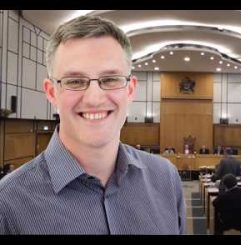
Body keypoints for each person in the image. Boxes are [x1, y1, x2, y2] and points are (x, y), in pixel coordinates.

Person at [0, 16, 185, 234]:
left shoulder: (166, 179)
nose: (94, 99)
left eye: (110, 79)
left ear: (131, 90)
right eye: (75, 81)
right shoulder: (7, 204)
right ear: (51, 92)